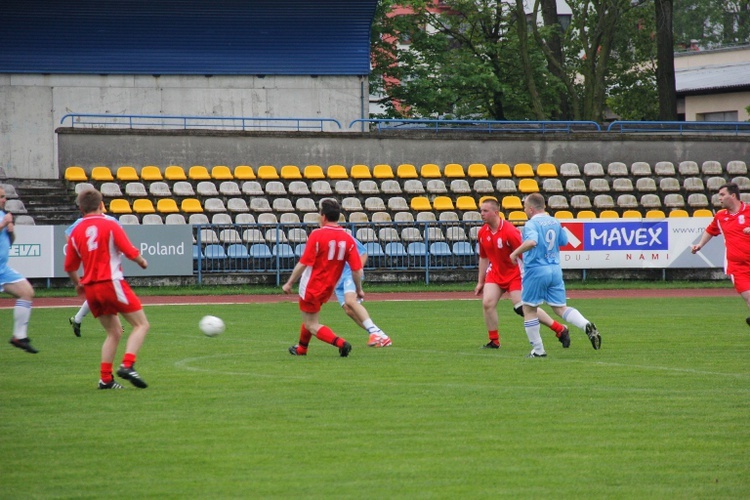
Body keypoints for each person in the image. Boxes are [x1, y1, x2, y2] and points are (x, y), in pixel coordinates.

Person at [64, 188, 150, 389]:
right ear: (101, 204)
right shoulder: (110, 224)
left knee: (114, 332)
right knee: (141, 325)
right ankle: (128, 365)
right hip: (111, 282)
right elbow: (128, 250)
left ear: (80, 208)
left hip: (92, 289)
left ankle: (105, 379)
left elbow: (69, 266)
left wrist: (78, 283)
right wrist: (142, 261)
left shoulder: (75, 231)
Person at [509, 193, 601, 358]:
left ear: (530, 209)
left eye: (524, 207)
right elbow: (564, 241)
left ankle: (538, 351)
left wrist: (514, 253)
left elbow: (532, 242)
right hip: (555, 269)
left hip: (536, 270)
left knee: (529, 309)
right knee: (560, 308)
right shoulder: (555, 221)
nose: (524, 210)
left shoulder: (531, 224)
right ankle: (586, 324)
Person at [474, 198, 570, 349]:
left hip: (515, 273)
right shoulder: (482, 232)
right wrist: (481, 281)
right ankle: (494, 341)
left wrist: (530, 276)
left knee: (522, 307)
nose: (482, 214)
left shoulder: (510, 231)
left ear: (496, 212)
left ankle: (559, 329)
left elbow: (524, 255)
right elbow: (484, 257)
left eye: (485, 211)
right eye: (481, 211)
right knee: (487, 304)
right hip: (495, 273)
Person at [282, 198, 362, 357]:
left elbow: (304, 263)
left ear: (323, 216)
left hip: (312, 285)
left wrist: (289, 282)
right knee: (309, 316)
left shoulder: (317, 235)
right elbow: (356, 269)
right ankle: (301, 349)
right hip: (328, 287)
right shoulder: (347, 238)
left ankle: (341, 343)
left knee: (311, 324)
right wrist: (359, 289)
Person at [691, 182, 750, 326]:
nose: (720, 198)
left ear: (733, 195)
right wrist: (700, 244)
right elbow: (710, 231)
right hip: (737, 268)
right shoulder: (720, 216)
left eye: (722, 195)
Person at [65, 213, 123, 337]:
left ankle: (77, 319)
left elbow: (68, 234)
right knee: (107, 292)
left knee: (99, 294)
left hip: (103, 264)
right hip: (102, 265)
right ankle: (115, 324)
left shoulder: (83, 221)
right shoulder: (109, 220)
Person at [334, 237, 392, 347]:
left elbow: (363, 252)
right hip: (336, 278)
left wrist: (357, 269)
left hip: (350, 274)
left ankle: (374, 333)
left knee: (350, 301)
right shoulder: (319, 238)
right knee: (348, 310)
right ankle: (381, 336)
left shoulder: (344, 236)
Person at [0, 187, 37, 354]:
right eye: (1, 197)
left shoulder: (3, 216)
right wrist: (3, 225)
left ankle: (19, 337)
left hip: (2, 269)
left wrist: (11, 231)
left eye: (4, 197)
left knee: (27, 292)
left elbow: (10, 242)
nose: (4, 200)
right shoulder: (3, 218)